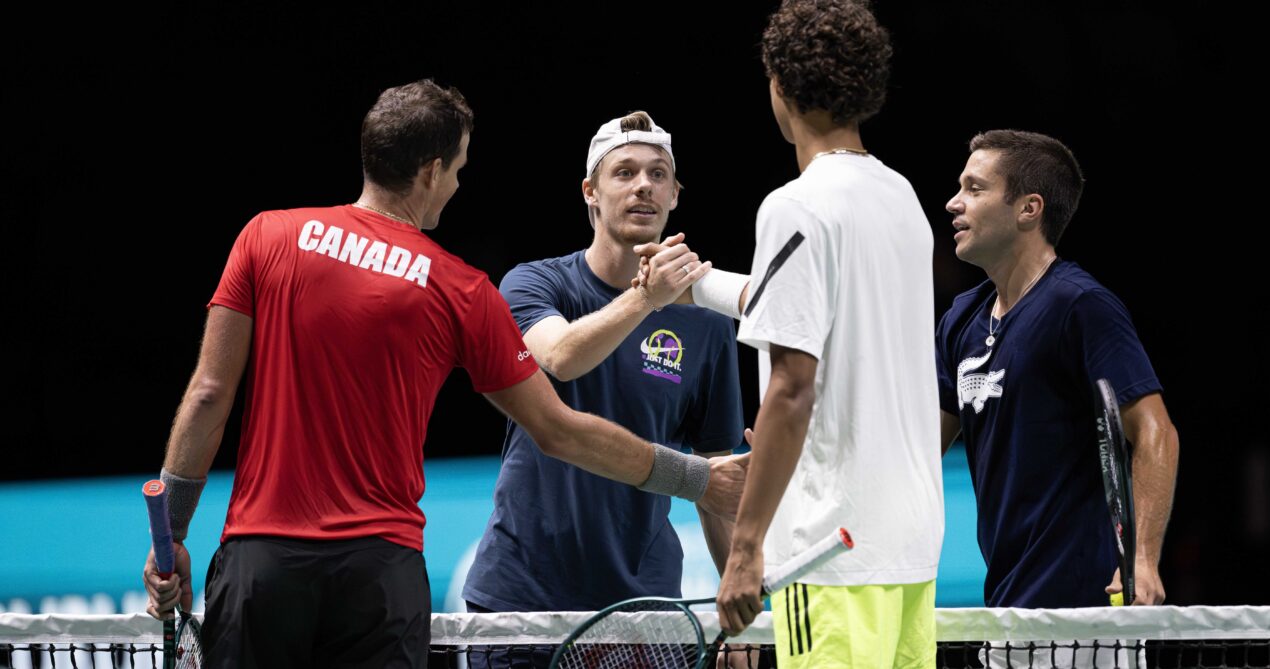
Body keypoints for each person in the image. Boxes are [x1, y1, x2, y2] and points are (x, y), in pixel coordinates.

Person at [139, 79, 748, 669]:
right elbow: (557, 423)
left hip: (262, 560)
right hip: (386, 576)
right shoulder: (460, 287)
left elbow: (209, 393)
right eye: (458, 169)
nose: (457, 185)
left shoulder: (265, 236)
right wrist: (694, 477)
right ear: (431, 171)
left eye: (657, 175)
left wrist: (172, 541)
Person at [638, 2, 944, 666]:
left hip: (827, 549)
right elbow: (818, 310)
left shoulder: (795, 204)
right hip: (911, 550)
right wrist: (698, 282)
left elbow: (793, 386)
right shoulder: (902, 202)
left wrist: (746, 547)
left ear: (781, 86)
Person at [460, 110, 744, 666]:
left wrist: (739, 615)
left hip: (646, 610)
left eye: (659, 174)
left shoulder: (708, 325)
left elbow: (717, 478)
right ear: (590, 191)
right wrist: (648, 298)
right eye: (625, 172)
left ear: (676, 195)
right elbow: (562, 357)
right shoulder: (535, 283)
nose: (644, 185)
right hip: (523, 601)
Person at [936, 129, 1179, 609]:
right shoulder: (961, 320)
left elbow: (1156, 432)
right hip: (1006, 607)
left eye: (975, 188)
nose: (953, 202)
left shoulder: (1081, 306)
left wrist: (1142, 559)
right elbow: (918, 451)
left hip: (1087, 611)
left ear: (1029, 209)